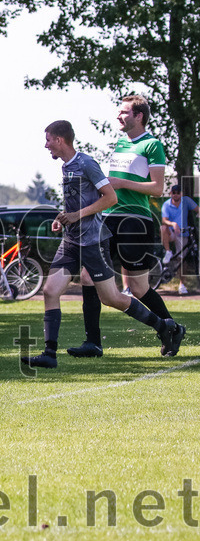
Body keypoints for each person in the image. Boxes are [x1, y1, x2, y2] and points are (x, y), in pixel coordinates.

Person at [22, 121, 184, 368]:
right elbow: (76, 202)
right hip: (71, 240)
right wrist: (63, 217)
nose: (46, 145)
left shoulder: (87, 164)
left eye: (48, 140)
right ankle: (49, 354)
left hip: (93, 241)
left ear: (60, 140)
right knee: (50, 290)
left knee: (112, 297)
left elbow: (111, 197)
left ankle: (164, 326)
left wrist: (77, 216)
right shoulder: (66, 167)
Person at [74, 95, 185, 358]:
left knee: (138, 288)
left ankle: (170, 328)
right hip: (109, 219)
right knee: (88, 276)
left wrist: (123, 183)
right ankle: (93, 343)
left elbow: (157, 188)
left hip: (136, 221)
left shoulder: (152, 145)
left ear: (139, 116)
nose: (118, 117)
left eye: (124, 112)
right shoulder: (121, 144)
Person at [161, 184, 199, 294]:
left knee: (182, 260)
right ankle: (168, 251)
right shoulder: (166, 204)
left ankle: (182, 285)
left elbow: (197, 209)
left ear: (181, 194)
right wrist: (173, 224)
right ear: (171, 193)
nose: (176, 194)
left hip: (183, 234)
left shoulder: (186, 201)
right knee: (163, 228)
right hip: (171, 233)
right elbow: (164, 220)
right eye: (174, 192)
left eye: (178, 192)